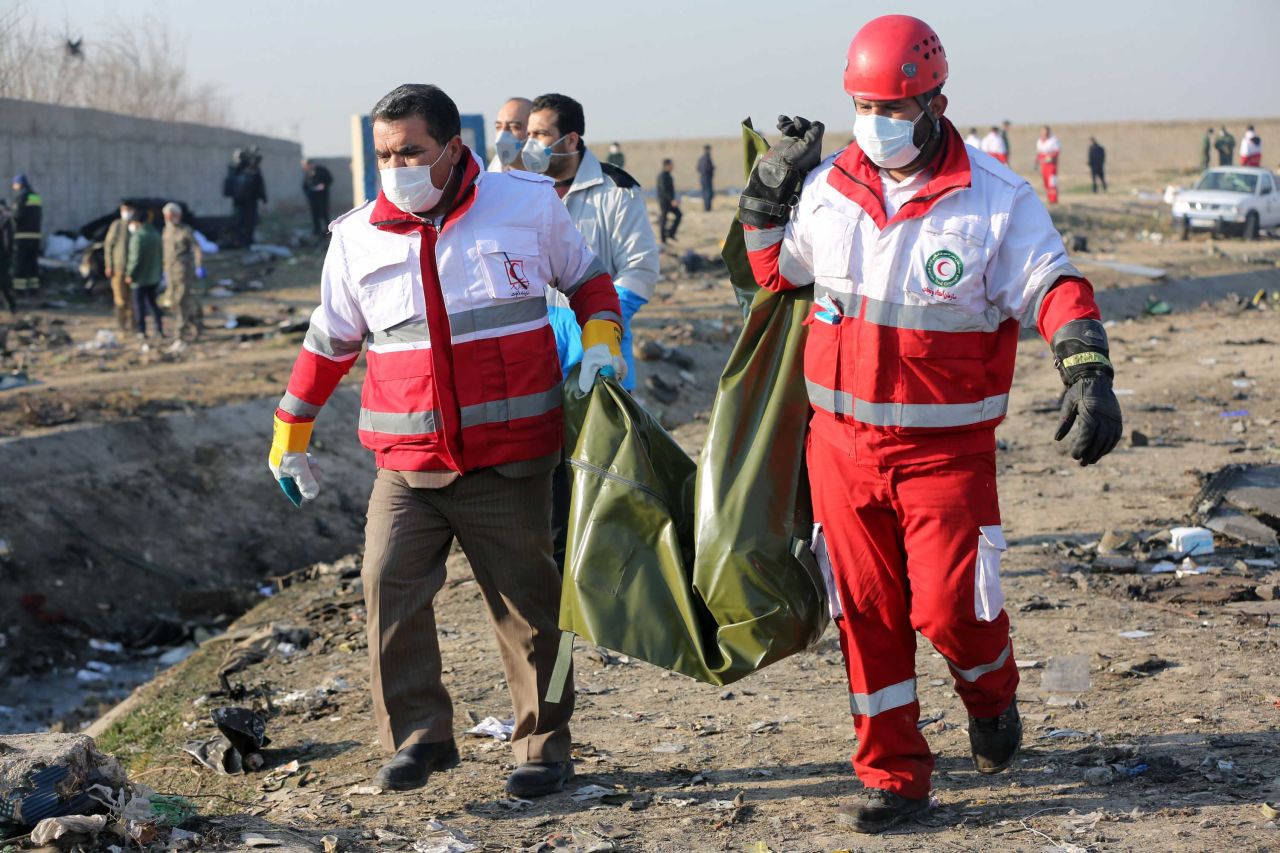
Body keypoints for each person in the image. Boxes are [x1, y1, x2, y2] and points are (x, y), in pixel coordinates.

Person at [738, 14, 1122, 834]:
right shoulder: (828, 189)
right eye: (864, 105)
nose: (876, 122)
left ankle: (992, 696)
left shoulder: (995, 200)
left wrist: (1086, 364)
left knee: (950, 609)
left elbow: (1053, 285)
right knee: (865, 614)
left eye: (894, 107)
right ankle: (894, 777)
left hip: (944, 453)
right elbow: (774, 269)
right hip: (839, 451)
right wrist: (766, 191)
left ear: (937, 102)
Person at [266, 83, 623, 799]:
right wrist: (289, 430)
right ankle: (418, 738)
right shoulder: (357, 234)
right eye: (384, 154)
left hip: (512, 458)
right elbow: (329, 341)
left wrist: (603, 339)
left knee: (534, 612)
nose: (396, 166)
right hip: (408, 464)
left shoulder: (525, 206)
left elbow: (587, 279)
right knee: (384, 581)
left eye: (412, 152)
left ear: (453, 147)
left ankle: (547, 744)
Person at [519, 92, 660, 569]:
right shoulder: (519, 192)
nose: (530, 143)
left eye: (540, 134)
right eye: (528, 133)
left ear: (570, 138)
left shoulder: (616, 191)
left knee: (600, 471)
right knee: (544, 480)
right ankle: (557, 579)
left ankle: (609, 572)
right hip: (532, 353)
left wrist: (595, 329)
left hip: (596, 353)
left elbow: (639, 268)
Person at [162, 202, 206, 341]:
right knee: (174, 301)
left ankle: (181, 331)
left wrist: (199, 265)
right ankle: (190, 325)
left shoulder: (185, 230)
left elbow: (197, 248)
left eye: (171, 216)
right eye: (167, 216)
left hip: (183, 271)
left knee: (183, 301)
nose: (169, 219)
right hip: (170, 272)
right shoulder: (166, 230)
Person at [125, 212, 163, 339]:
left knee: (139, 305)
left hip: (139, 278)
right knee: (153, 304)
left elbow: (135, 259)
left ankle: (142, 331)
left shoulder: (138, 237)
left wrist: (130, 274)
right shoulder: (156, 234)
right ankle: (159, 329)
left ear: (137, 223)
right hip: (154, 277)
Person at [101, 202, 137, 332]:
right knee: (120, 300)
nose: (127, 212)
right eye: (125, 209)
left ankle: (134, 327)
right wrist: (109, 265)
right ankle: (122, 326)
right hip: (118, 269)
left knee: (133, 301)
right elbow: (108, 246)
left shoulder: (136, 225)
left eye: (129, 209)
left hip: (133, 271)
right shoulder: (117, 225)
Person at [224, 149, 267, 247]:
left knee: (250, 221)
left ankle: (247, 240)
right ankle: (241, 240)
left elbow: (259, 184)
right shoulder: (235, 168)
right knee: (240, 221)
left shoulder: (251, 169)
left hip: (250, 200)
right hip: (240, 200)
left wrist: (264, 198)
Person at [10, 174, 42, 294]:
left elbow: (18, 215)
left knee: (20, 262)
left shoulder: (21, 196)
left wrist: (10, 215)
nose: (13, 186)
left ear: (19, 184)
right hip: (36, 235)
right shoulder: (36, 196)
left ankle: (19, 289)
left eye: (14, 184)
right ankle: (34, 288)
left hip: (22, 235)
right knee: (32, 262)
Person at [489, 97, 533, 172]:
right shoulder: (486, 179)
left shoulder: (551, 179)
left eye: (514, 127)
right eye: (498, 127)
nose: (502, 134)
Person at [302, 159, 334, 236]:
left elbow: (329, 179)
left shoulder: (322, 170)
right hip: (312, 198)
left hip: (322, 196)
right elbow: (305, 185)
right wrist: (308, 193)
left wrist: (323, 185)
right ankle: (317, 230)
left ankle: (328, 230)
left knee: (323, 213)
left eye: (306, 165)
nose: (305, 167)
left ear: (310, 164)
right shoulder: (308, 173)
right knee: (314, 214)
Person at [656, 159, 681, 243]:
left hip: (670, 201)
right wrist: (672, 200)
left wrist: (674, 199)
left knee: (679, 214)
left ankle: (671, 233)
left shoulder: (669, 175)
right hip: (664, 201)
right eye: (671, 165)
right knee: (664, 219)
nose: (672, 167)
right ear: (667, 166)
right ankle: (663, 240)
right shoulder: (662, 176)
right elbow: (664, 191)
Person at [1036, 125, 1061, 203]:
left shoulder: (1053, 140)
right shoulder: (1039, 141)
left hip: (1051, 165)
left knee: (1052, 183)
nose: (1044, 134)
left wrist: (1050, 157)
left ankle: (1053, 200)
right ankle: (1049, 198)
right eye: (1043, 132)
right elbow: (1039, 153)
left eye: (1046, 132)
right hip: (1044, 165)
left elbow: (1056, 152)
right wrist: (1037, 162)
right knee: (1046, 183)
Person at [0, 201, 14, 313]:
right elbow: (7, 240)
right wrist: (8, 254)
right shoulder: (5, 220)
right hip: (2, 256)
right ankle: (10, 305)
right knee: (4, 280)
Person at [697, 144, 716, 211]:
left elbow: (698, 168)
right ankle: (708, 209)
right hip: (707, 178)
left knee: (705, 193)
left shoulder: (701, 158)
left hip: (702, 177)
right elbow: (708, 168)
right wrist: (712, 168)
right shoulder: (707, 158)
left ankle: (706, 208)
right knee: (708, 193)